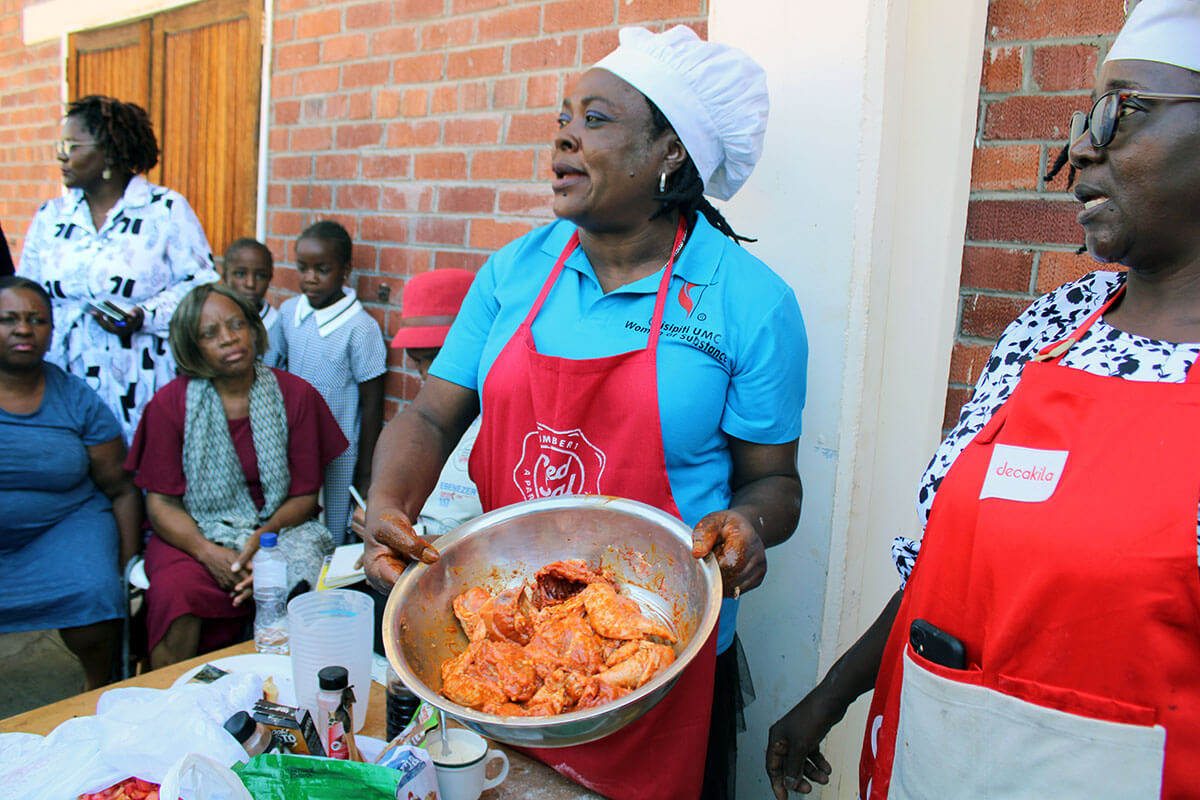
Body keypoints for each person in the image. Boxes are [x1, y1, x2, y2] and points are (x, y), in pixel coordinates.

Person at [766, 2, 1200, 797]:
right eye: (1085, 114)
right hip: (929, 762)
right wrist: (831, 696)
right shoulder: (1054, 327)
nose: (1079, 147)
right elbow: (941, 562)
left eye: (1123, 111)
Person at [363, 26, 807, 800]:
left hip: (660, 653)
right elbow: (430, 418)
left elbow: (775, 483)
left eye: (596, 118)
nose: (565, 132)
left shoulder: (750, 301)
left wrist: (749, 527)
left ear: (671, 151)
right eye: (563, 116)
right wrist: (388, 505)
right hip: (507, 630)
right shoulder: (517, 270)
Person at [126, 284, 347, 668]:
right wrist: (208, 553)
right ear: (191, 347)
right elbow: (160, 502)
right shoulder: (170, 404)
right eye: (210, 334)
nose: (229, 338)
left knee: (296, 587)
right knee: (177, 595)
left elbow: (304, 497)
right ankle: (169, 700)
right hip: (194, 535)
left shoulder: (296, 395)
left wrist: (263, 545)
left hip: (282, 531)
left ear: (253, 329)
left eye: (236, 325)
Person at [18, 95, 219, 441]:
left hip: (141, 380)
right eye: (60, 144)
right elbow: (26, 294)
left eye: (72, 145)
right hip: (61, 378)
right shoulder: (49, 217)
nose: (61, 154)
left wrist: (144, 315)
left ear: (109, 152)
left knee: (140, 478)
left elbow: (201, 286)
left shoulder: (164, 209)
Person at [0, 276, 141, 689]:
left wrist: (124, 571)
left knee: (92, 591)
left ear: (51, 330)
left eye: (36, 320)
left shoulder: (76, 398)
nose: (24, 329)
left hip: (61, 525)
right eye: (9, 319)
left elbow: (121, 487)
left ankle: (98, 691)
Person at [277, 221, 386, 545]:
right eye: (303, 268)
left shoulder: (360, 328)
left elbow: (373, 403)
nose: (310, 278)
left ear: (345, 270)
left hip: (339, 451)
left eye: (322, 269)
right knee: (295, 519)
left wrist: (366, 474)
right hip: (293, 443)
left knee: (332, 527)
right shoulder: (288, 312)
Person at [390, 268, 482, 537]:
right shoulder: (424, 417)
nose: (426, 373)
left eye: (436, 357)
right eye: (417, 362)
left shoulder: (508, 414)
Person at [223, 238, 283, 368]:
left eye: (260, 276)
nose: (250, 284)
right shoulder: (213, 321)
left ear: (270, 279)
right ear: (225, 277)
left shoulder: (278, 325)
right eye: (240, 274)